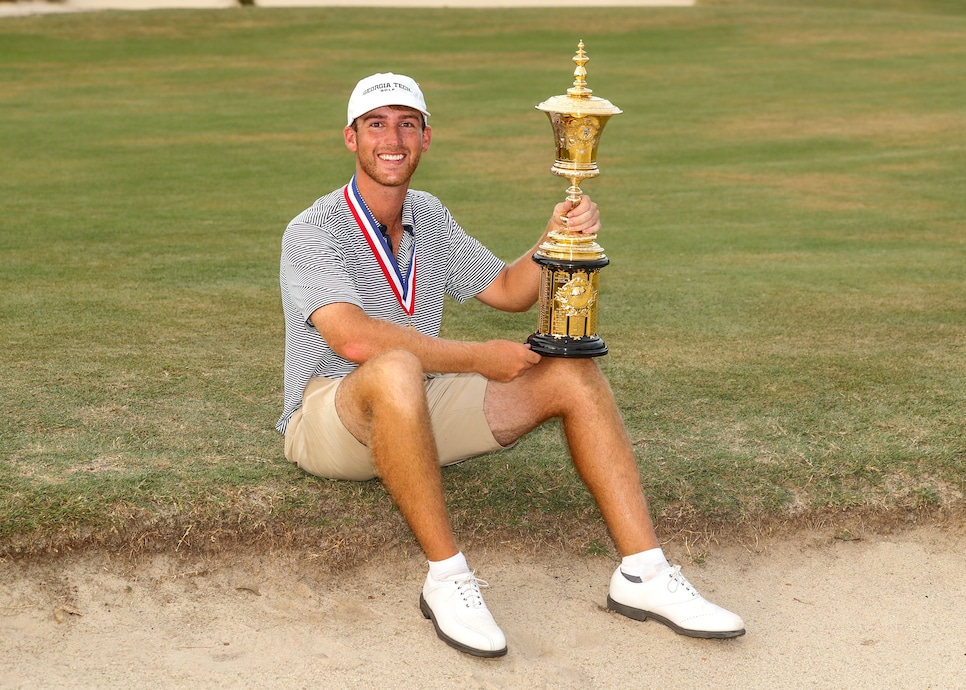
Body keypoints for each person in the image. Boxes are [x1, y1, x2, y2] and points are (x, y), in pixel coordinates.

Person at [277, 72, 745, 658]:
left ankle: (644, 575)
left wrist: (554, 236)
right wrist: (480, 358)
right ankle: (448, 580)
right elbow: (354, 340)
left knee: (572, 373)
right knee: (394, 366)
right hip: (330, 417)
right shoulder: (312, 227)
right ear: (351, 138)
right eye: (376, 124)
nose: (392, 138)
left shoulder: (427, 214)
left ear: (426, 139)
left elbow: (505, 287)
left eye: (407, 124)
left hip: (414, 406)